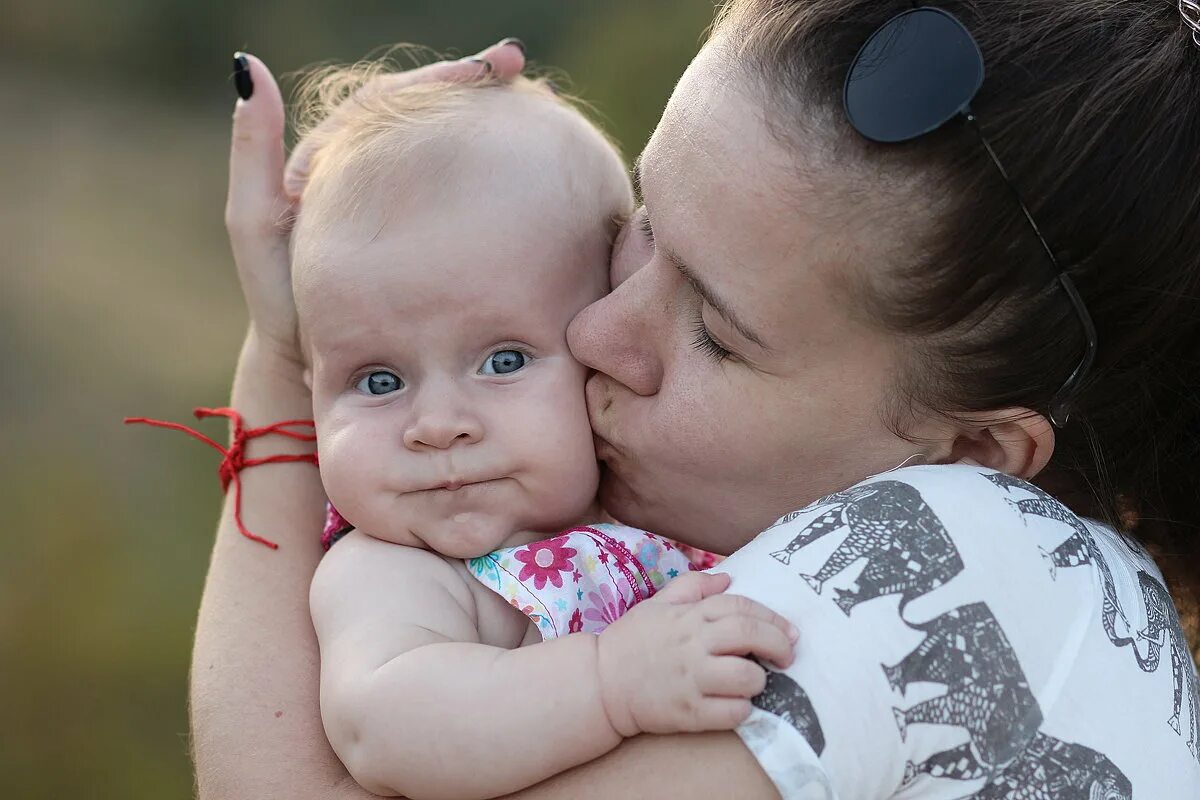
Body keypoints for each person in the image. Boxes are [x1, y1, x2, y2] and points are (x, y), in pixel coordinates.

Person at [192, 0, 1200, 794]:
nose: (593, 332)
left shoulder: (962, 554)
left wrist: (284, 354)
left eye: (716, 331)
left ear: (977, 448)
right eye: (641, 225)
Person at [288, 67, 796, 799]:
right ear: (312, 389)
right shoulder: (397, 568)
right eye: (378, 381)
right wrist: (609, 681)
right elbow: (385, 724)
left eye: (502, 361)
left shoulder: (658, 493)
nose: (436, 427)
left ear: (600, 337)